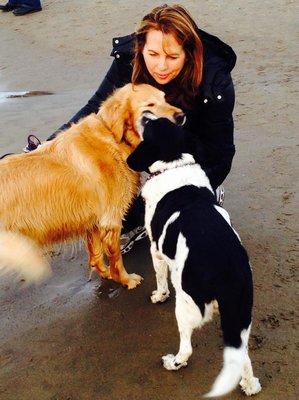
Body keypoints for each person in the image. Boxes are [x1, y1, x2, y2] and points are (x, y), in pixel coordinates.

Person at [23, 4, 237, 253]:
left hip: (191, 152)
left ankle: (202, 194)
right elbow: (94, 109)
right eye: (153, 54)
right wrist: (46, 149)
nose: (161, 67)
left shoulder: (215, 83)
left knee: (123, 220)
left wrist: (196, 186)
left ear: (189, 53)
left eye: (172, 57)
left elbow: (219, 154)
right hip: (143, 142)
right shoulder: (128, 59)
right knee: (94, 206)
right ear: (141, 47)